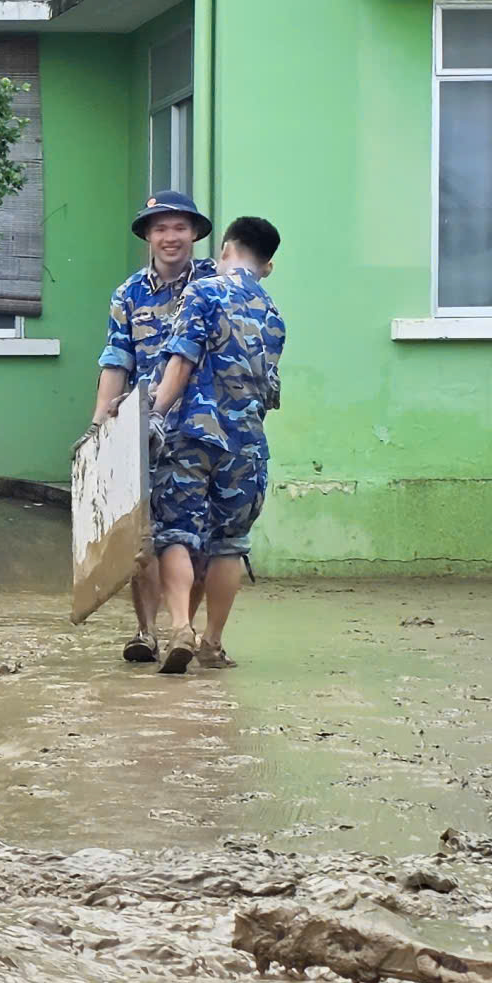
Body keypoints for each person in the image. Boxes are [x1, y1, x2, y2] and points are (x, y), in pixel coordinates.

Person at [148, 215, 285, 674]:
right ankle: (213, 642)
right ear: (266, 265)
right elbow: (271, 392)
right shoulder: (272, 313)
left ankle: (180, 628)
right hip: (246, 444)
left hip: (194, 434)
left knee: (176, 533)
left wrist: (156, 413)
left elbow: (182, 358)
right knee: (230, 543)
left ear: (225, 248)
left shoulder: (203, 291)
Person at [89, 190, 216, 662]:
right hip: (142, 432)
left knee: (196, 538)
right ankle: (148, 631)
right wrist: (99, 427)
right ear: (147, 235)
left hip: (203, 428)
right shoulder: (128, 294)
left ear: (195, 234)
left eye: (180, 227)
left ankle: (188, 628)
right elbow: (116, 360)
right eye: (160, 228)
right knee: (140, 536)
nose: (170, 237)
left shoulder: (212, 284)